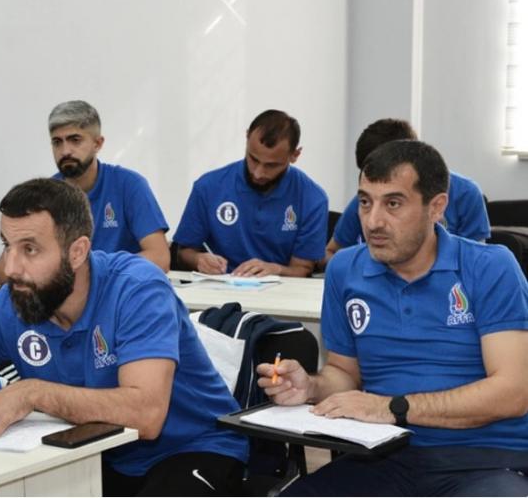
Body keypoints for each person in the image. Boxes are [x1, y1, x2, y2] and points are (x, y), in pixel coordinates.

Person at [0, 178, 248, 496]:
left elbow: (147, 415)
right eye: (7, 246)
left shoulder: (137, 289)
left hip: (193, 449)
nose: (10, 268)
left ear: (77, 252)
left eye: (30, 249)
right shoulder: (15, 300)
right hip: (97, 453)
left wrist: (33, 393)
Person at [258, 140, 528, 496]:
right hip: (384, 456)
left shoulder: (490, 266)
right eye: (365, 202)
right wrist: (310, 387)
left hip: (485, 459)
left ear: (436, 207)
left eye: (393, 203)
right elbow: (344, 373)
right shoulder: (344, 269)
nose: (373, 221)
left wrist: (394, 407)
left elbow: (512, 392)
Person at [0, 100, 169, 284]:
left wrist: (90, 276)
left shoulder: (129, 184)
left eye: (75, 140)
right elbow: (2, 274)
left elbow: (160, 258)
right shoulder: (43, 196)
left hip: (118, 289)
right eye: (57, 142)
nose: (65, 151)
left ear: (97, 143)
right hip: (63, 294)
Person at [173, 109, 328, 277]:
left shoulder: (313, 199)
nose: (258, 173)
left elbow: (302, 269)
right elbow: (184, 252)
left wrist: (276, 270)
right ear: (247, 138)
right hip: (219, 286)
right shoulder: (208, 187)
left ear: (295, 155)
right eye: (253, 159)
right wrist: (199, 260)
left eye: (271, 165)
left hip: (281, 290)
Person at [325, 118, 490, 266]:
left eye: (393, 203)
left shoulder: (466, 193)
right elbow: (332, 251)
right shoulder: (368, 201)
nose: (373, 222)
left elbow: (476, 261)